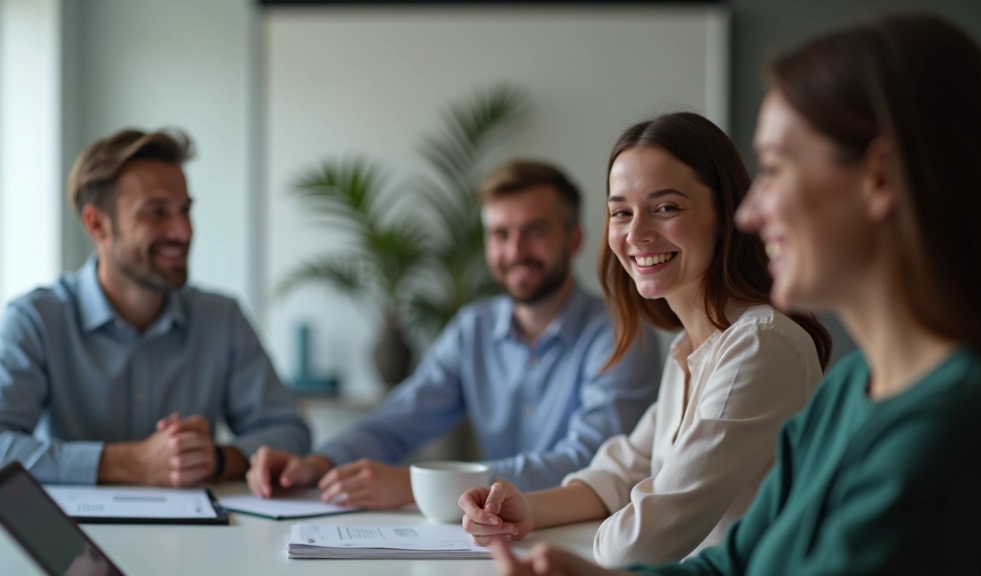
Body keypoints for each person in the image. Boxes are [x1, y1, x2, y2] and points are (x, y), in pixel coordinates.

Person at [491, 12, 981, 575]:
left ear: (881, 179)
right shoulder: (848, 391)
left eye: (775, 168)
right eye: (621, 211)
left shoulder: (956, 423)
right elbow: (734, 563)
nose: (750, 212)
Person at [460, 113, 831, 566]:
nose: (636, 234)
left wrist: (584, 539)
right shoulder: (688, 348)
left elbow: (638, 544)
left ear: (725, 215)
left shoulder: (759, 345)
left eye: (666, 207)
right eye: (621, 212)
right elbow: (620, 471)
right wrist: (527, 510)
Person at [247, 160, 662, 509]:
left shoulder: (624, 332)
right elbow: (399, 420)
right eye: (500, 234)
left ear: (574, 240)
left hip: (590, 537)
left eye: (535, 231)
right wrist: (320, 463)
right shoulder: (472, 328)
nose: (515, 251)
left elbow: (589, 461)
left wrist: (423, 486)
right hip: (494, 532)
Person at [0, 129, 311, 487]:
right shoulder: (35, 321)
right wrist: (127, 463)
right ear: (97, 224)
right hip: (66, 525)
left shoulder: (222, 318)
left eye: (185, 210)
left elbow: (289, 432)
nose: (183, 231)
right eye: (156, 213)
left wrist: (215, 459)